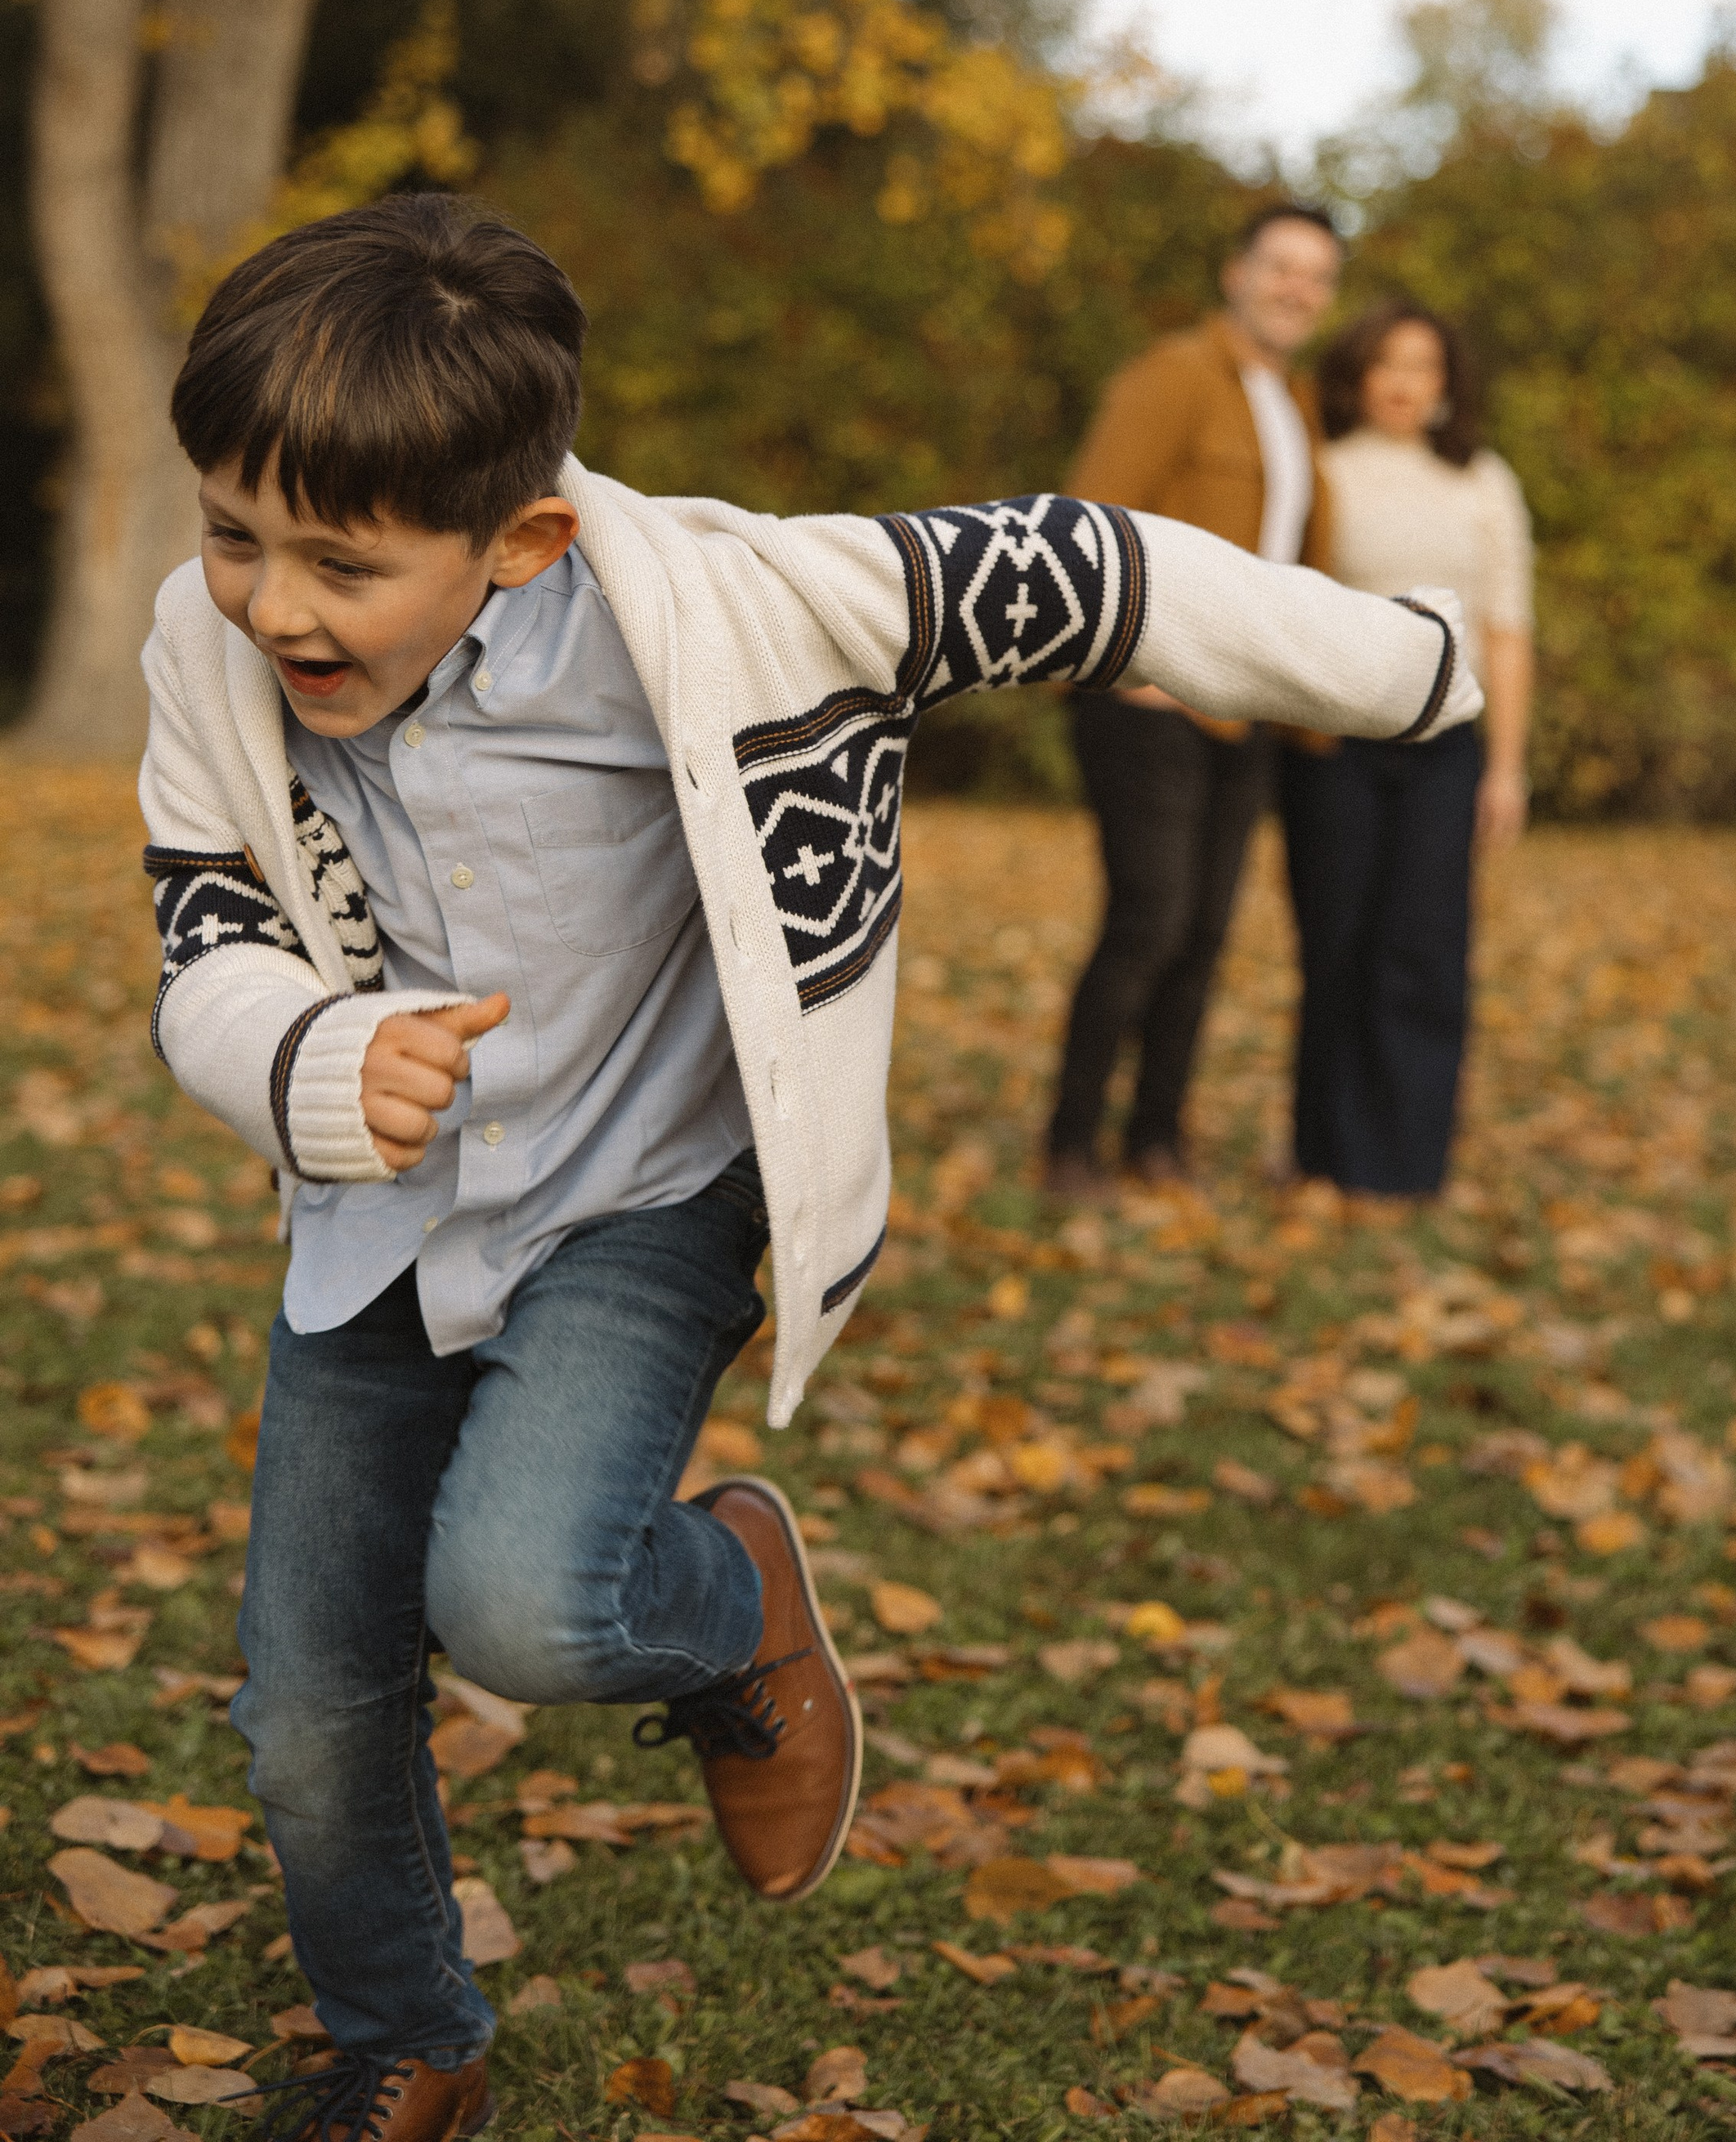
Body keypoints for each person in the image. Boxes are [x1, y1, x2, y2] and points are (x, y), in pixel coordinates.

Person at [140, 192, 1478, 2142]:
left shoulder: (741, 604)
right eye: (231, 531)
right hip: (377, 1222)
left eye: (340, 561)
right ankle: (403, 2037)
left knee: (522, 1601)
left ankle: (736, 1590)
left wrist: (1406, 670)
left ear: (526, 538)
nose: (270, 604)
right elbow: (204, 933)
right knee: (307, 1715)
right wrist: (309, 1056)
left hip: (646, 1199)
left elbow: (1087, 566)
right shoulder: (210, 643)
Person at [1040, 203, 1345, 1193]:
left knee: (1206, 933)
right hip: (1151, 699)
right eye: (1280, 267)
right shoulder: (1174, 377)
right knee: (1148, 921)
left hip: (1242, 707)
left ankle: (1157, 1140)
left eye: (1316, 276)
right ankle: (1071, 1145)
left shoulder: (1292, 403)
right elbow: (1090, 519)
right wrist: (1127, 671)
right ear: (1236, 273)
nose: (1296, 288)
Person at [1280, 297, 1534, 1202]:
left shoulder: (1481, 481)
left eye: (1423, 365)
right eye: (1387, 363)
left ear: (1446, 383)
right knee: (1336, 946)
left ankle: (1403, 1165)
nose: (1404, 382)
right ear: (1356, 376)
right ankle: (1320, 1153)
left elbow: (1506, 628)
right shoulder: (1322, 471)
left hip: (1443, 752)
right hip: (1334, 746)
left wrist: (1505, 767)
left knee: (1424, 950)